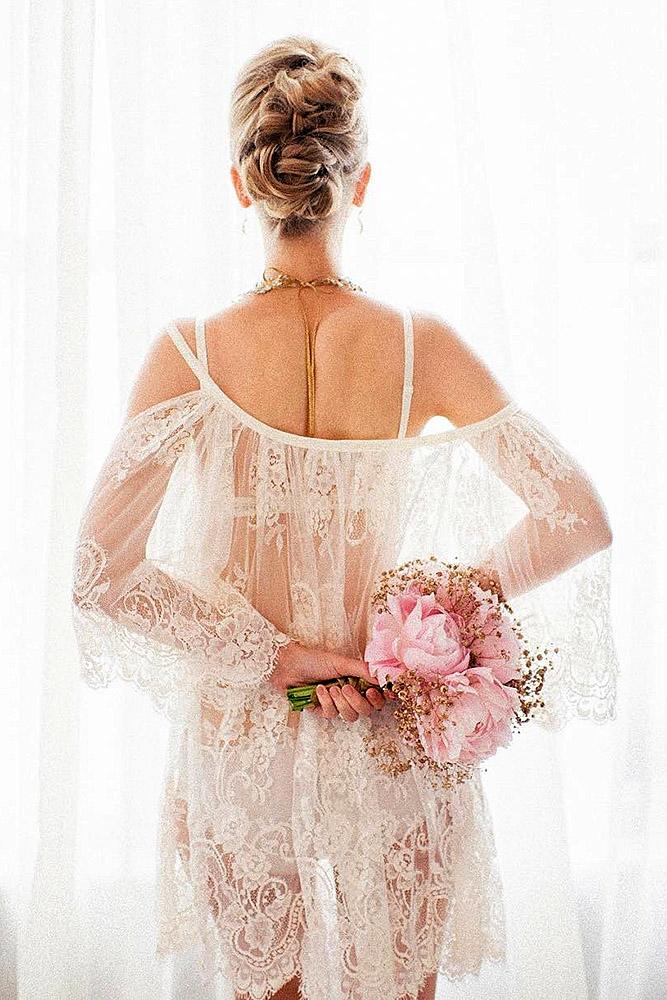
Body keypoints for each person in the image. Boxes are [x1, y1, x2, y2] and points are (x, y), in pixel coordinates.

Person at [71, 34, 618, 1000]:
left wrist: (275, 658)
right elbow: (575, 518)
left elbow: (101, 574)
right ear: (359, 182)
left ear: (244, 184)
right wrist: (424, 621)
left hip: (243, 748)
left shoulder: (186, 354)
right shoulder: (424, 346)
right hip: (390, 731)